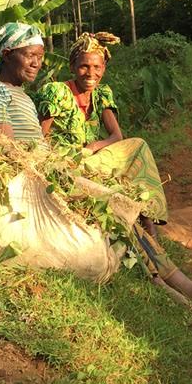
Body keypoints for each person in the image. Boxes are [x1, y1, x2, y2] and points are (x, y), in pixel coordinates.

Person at [0, 22, 192, 321]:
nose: (37, 63)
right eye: (29, 55)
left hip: (45, 169)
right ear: (7, 54)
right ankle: (181, 295)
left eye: (40, 56)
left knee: (119, 211)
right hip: (27, 177)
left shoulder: (21, 94)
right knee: (115, 209)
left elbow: (39, 144)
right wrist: (55, 170)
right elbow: (6, 144)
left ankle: (187, 293)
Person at [35, 32, 166, 239]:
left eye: (97, 67)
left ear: (103, 68)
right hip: (65, 163)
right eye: (84, 66)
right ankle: (146, 226)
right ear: (72, 66)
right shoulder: (56, 91)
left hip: (92, 159)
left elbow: (116, 136)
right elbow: (39, 136)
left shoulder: (101, 93)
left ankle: (148, 216)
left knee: (139, 146)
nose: (91, 73)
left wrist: (94, 146)